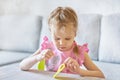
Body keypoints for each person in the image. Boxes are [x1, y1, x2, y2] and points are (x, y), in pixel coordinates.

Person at [19, 6, 105, 78]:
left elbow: (100, 75)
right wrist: (38, 57)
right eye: (57, 38)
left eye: (67, 38)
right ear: (51, 33)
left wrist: (80, 71)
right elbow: (22, 66)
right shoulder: (47, 48)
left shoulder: (79, 52)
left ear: (75, 34)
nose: (62, 43)